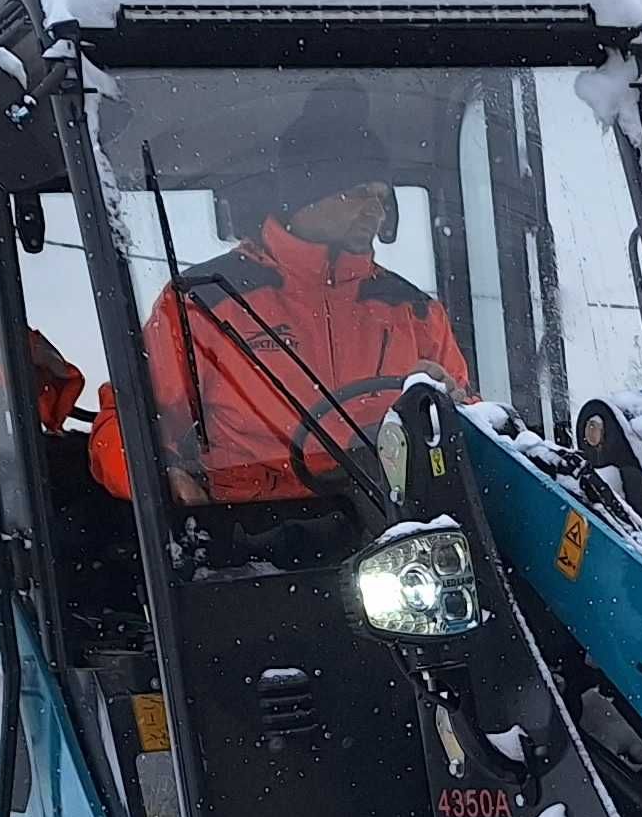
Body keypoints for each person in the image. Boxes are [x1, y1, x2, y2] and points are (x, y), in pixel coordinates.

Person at [94, 84, 476, 508]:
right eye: (357, 192)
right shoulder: (203, 305)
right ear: (305, 196)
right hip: (248, 538)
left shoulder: (414, 311)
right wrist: (159, 476)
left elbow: (473, 426)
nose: (376, 209)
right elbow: (125, 423)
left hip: (392, 529)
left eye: (382, 197)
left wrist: (457, 409)